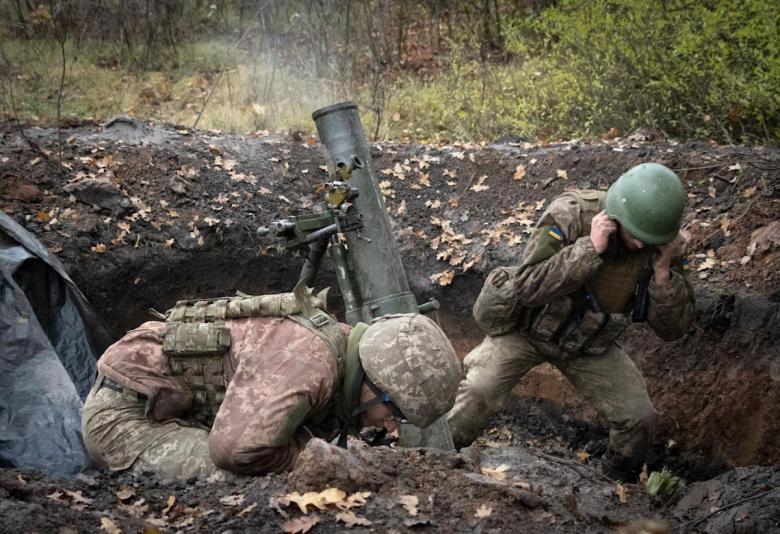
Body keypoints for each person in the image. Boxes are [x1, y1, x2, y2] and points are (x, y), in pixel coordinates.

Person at [448, 162, 695, 480]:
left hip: (590, 345)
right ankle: (434, 456)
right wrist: (588, 249)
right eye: (637, 235)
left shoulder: (666, 245)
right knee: (480, 390)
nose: (642, 245)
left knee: (639, 418)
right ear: (619, 215)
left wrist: (663, 277)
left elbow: (675, 329)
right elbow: (528, 286)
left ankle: (615, 484)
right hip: (527, 330)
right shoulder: (571, 214)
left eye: (651, 239)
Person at [82, 282, 461, 480]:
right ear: (371, 377)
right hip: (127, 414)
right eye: (394, 411)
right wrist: (310, 459)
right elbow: (235, 451)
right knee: (248, 479)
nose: (392, 427)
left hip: (179, 408)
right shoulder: (310, 362)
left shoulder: (339, 348)